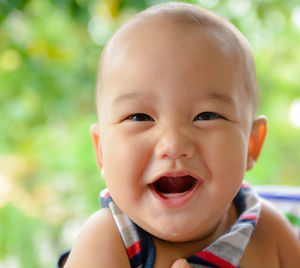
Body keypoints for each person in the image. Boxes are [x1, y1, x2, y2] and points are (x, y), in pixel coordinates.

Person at [63, 2, 300, 267]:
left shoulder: (267, 229)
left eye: (206, 116)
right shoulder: (109, 240)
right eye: (140, 117)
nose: (173, 144)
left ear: (251, 145)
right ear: (102, 152)